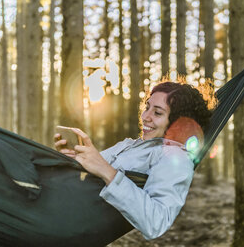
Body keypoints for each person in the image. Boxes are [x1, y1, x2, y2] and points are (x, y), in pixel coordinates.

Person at [54, 79, 217, 240]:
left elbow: (156, 222)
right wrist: (75, 159)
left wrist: (108, 172)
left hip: (68, 222)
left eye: (157, 112)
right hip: (61, 205)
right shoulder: (130, 144)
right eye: (147, 107)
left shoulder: (176, 157)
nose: (146, 116)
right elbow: (91, 170)